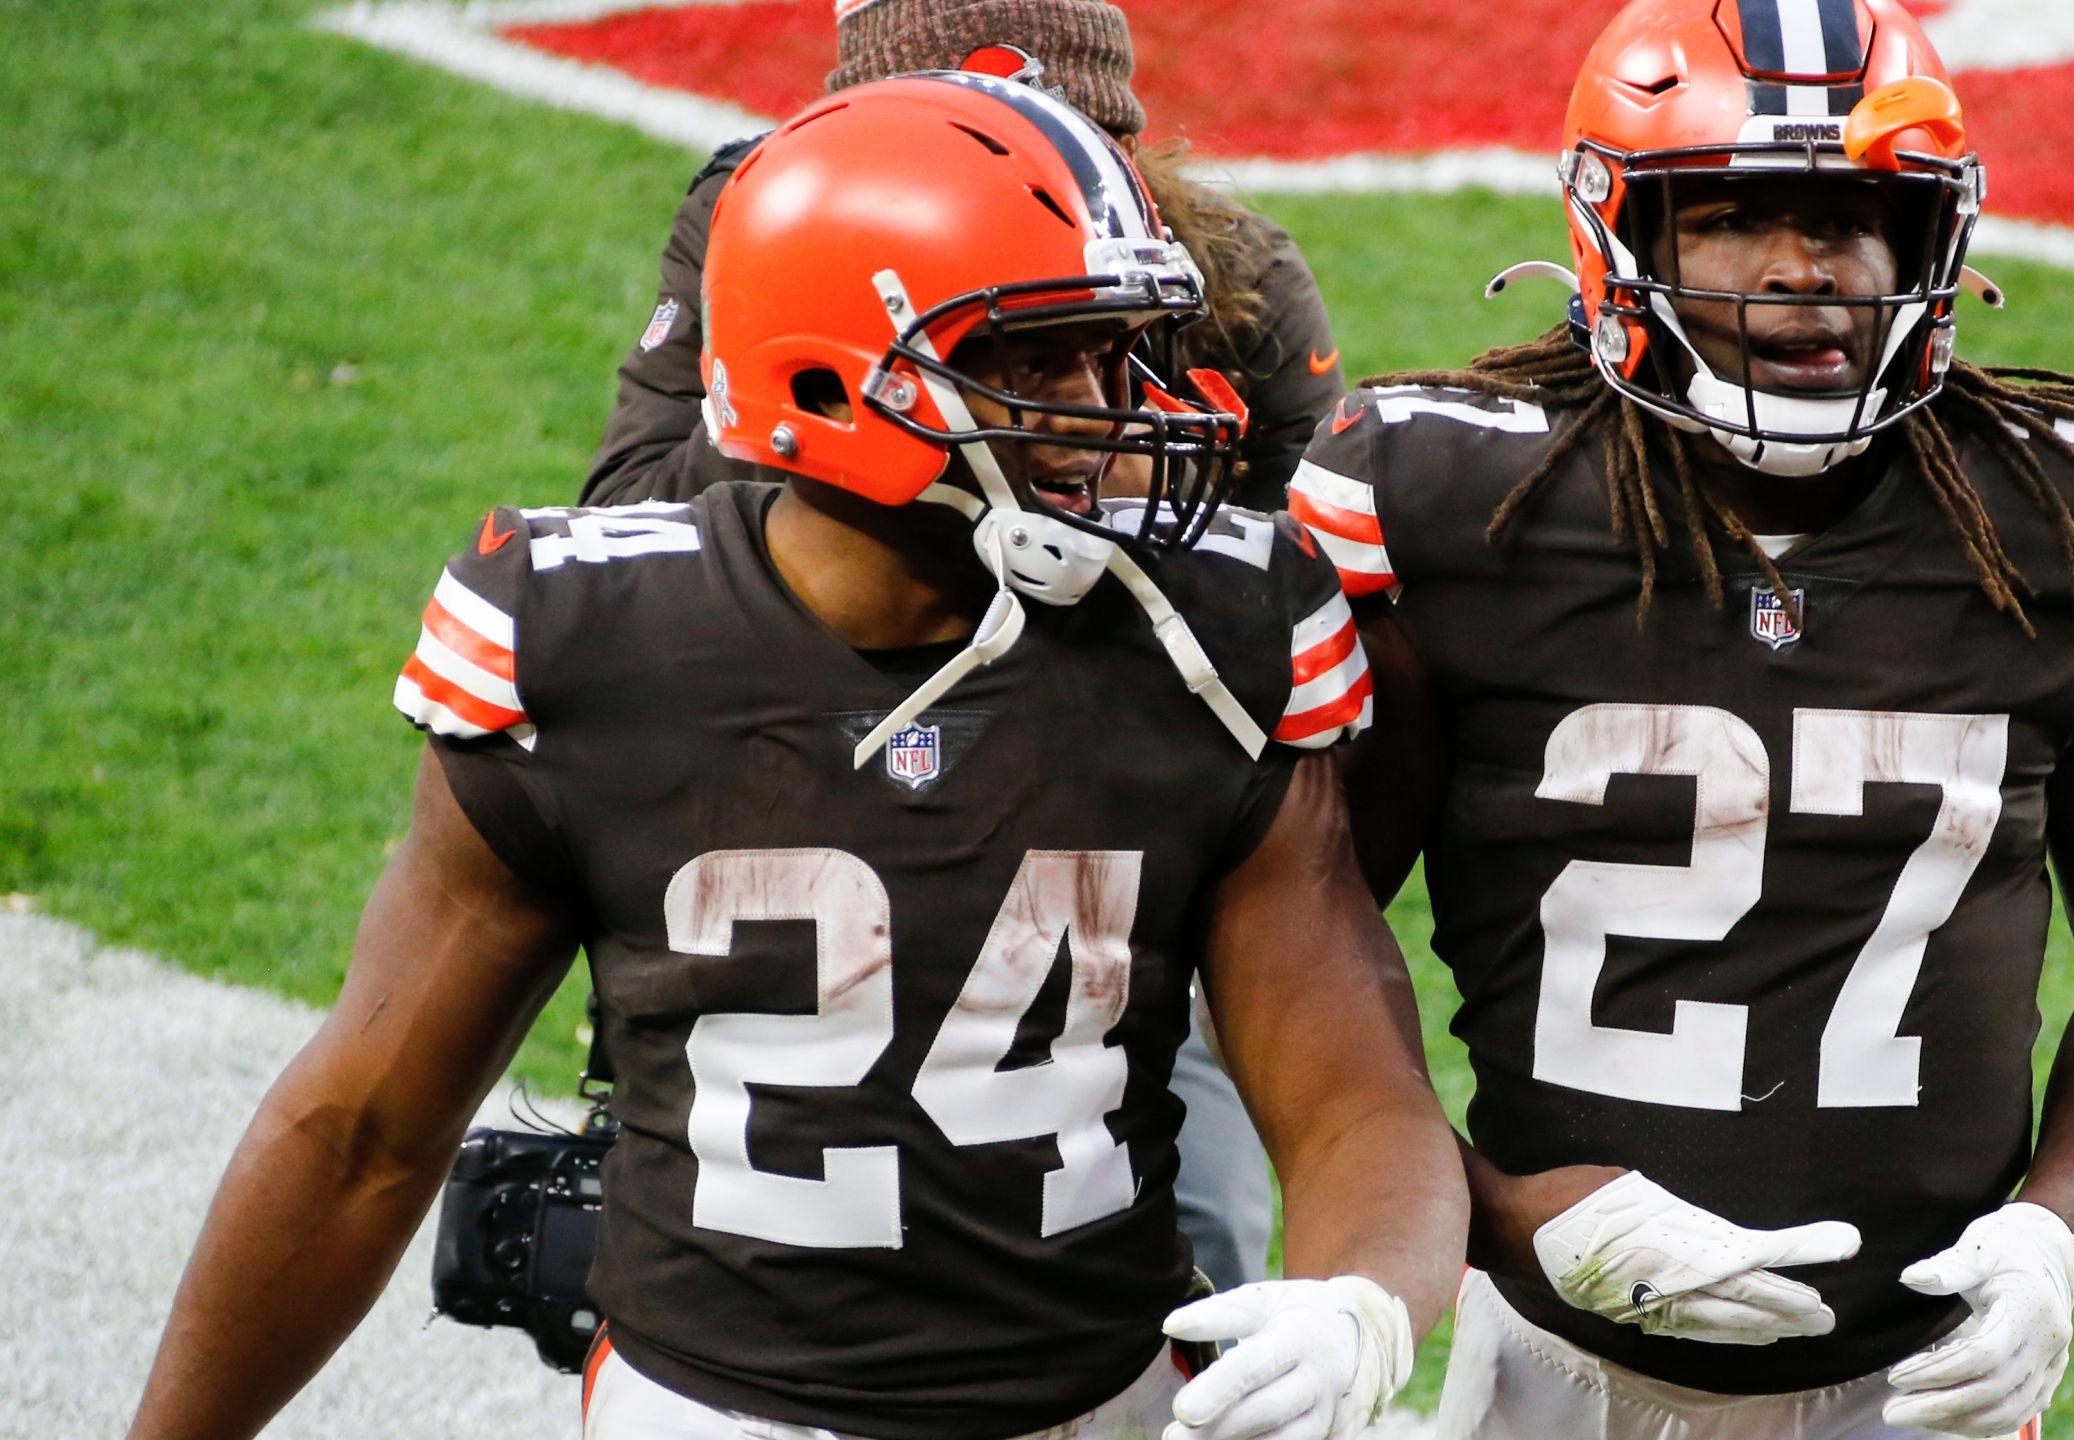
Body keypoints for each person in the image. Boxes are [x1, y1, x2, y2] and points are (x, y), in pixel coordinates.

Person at [126, 74, 1462, 1440]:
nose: (1103, 411)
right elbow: (360, 1135)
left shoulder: (1217, 637)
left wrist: (1358, 1299)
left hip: (1095, 1406)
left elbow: (1359, 1096)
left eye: (1115, 351)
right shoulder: (595, 645)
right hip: (712, 1412)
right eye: (1031, 360)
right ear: (830, 381)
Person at [1284, 1, 2074, 1436]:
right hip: (1557, 1366)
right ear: (1621, 237)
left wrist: (2060, 1224)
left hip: (1930, 1388)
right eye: (1735, 216)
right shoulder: (1452, 508)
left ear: (1935, 242)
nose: (1808, 271)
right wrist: (1502, 1211)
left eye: (1861, 221)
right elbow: (1295, 941)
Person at [583, 0, 1343, 1292]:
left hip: (1098, 812)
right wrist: (832, 366)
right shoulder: (765, 216)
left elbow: (1287, 611)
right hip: (816, 779)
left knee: (1200, 1260)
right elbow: (636, 534)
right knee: (735, 1235)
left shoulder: (1232, 274)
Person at [584, 0, 1344, 516]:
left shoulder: (1239, 267)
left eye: (1068, 143)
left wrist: (1158, 496)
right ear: (859, 154)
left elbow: (1310, 581)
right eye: (965, 152)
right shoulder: (763, 216)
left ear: (1125, 153)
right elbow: (629, 515)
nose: (1026, 187)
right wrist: (816, 386)